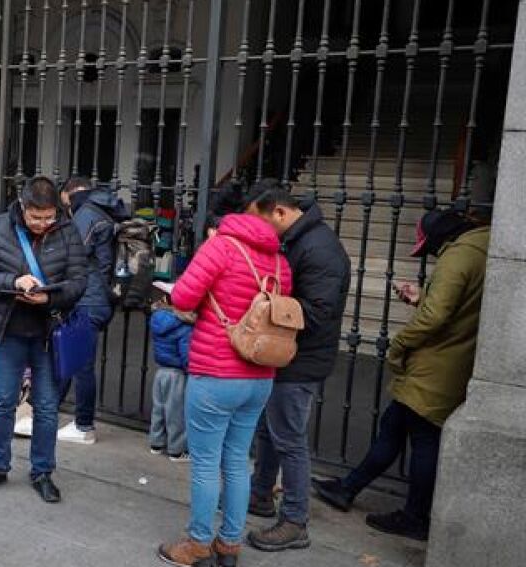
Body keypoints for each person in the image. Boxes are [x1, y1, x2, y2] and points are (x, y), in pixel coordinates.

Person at [313, 209, 489, 542]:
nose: (430, 254)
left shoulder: (457, 257)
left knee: (422, 438)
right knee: (395, 425)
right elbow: (457, 306)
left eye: (429, 247)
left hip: (436, 366)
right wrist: (422, 298)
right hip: (450, 362)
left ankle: (415, 516)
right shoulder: (483, 248)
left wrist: (401, 344)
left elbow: (436, 317)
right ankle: (348, 489)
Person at [157, 211, 292, 567]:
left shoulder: (220, 247)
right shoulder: (279, 261)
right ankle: (229, 545)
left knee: (205, 463)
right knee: (236, 460)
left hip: (216, 371)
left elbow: (183, 297)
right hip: (260, 376)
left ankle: (198, 544)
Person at [239, 180, 351, 552]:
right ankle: (259, 494)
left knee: (289, 439)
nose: (256, 230)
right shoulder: (298, 240)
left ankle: (294, 520)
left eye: (259, 222)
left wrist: (264, 307)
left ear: (280, 212)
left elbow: (317, 312)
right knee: (269, 430)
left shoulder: (320, 249)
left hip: (301, 358)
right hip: (284, 353)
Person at [0, 176, 88, 504]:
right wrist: (13, 282)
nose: (42, 223)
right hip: (7, 330)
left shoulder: (68, 231)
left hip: (48, 334)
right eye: (36, 217)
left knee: (47, 407)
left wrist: (49, 298)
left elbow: (80, 281)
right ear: (23, 207)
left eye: (49, 217)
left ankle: (42, 472)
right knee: (4, 402)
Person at [54, 177, 124, 445]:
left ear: (71, 192)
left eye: (65, 200)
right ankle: (45, 410)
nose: (65, 207)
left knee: (81, 365)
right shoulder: (104, 211)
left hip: (88, 299)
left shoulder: (87, 213)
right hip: (99, 298)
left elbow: (72, 254)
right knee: (70, 357)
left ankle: (84, 426)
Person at [147, 298, 194, 461]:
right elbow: (186, 355)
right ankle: (177, 450)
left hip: (161, 371)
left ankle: (156, 442)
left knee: (158, 409)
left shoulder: (158, 318)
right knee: (176, 413)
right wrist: (192, 371)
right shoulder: (184, 326)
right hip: (177, 373)